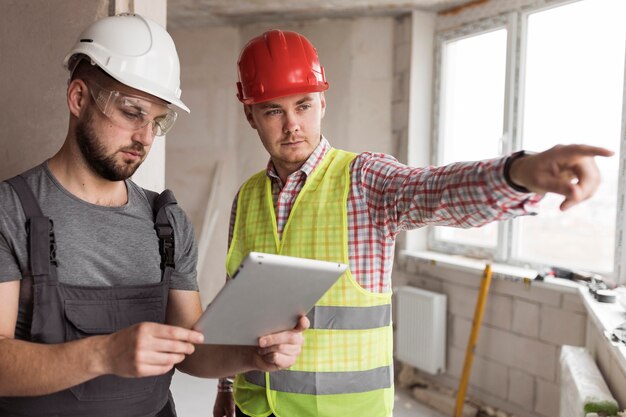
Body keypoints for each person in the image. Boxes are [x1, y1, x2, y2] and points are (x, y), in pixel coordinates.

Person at [212, 29, 613, 417]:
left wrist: (519, 173)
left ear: (323, 103)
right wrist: (226, 385)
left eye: (303, 105)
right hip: (254, 407)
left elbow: (434, 190)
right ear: (250, 114)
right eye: (273, 111)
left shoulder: (364, 180)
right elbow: (238, 307)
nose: (292, 125)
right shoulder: (246, 197)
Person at [0, 14, 308, 417]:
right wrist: (105, 353)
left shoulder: (166, 223)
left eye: (157, 121)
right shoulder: (12, 210)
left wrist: (252, 355)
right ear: (78, 99)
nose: (145, 137)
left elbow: (191, 351)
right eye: (132, 112)